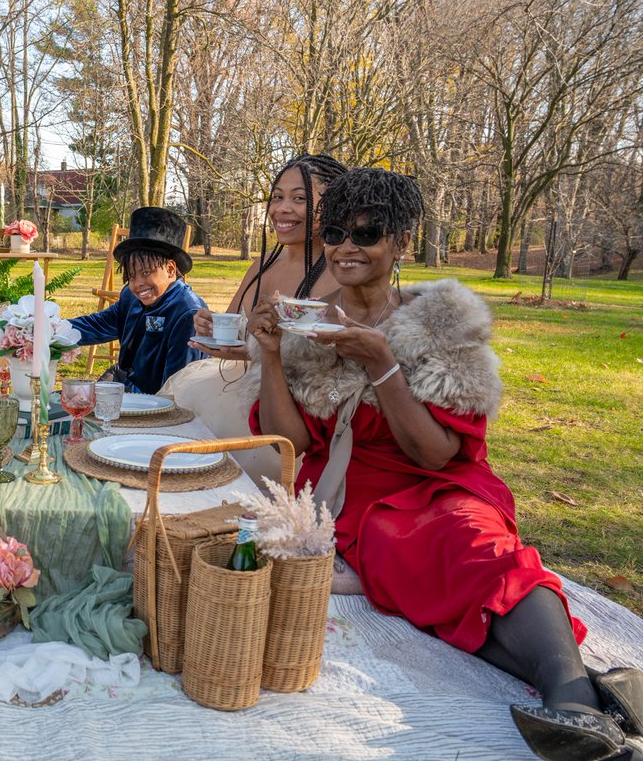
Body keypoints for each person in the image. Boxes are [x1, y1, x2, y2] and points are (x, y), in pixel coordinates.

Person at [242, 167, 643, 761]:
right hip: (346, 492)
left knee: (477, 549)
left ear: (401, 241)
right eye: (336, 233)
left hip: (434, 481)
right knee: (405, 567)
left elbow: (435, 453)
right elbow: (291, 440)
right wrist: (272, 356)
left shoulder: (438, 324)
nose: (347, 247)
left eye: (368, 232)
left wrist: (383, 363)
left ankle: (575, 708)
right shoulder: (308, 320)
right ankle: (585, 695)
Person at [160, 154, 348, 477]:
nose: (282, 209)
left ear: (331, 205)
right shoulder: (263, 265)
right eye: (277, 197)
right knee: (175, 406)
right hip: (238, 380)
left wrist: (255, 351)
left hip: (293, 407)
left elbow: (328, 361)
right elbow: (232, 324)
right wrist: (209, 324)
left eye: (299, 198)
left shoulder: (339, 272)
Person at [67, 207, 207, 395]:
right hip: (125, 382)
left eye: (146, 272)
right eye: (131, 276)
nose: (138, 284)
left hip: (159, 403)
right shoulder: (130, 296)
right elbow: (98, 325)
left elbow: (176, 387)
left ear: (171, 269)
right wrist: (50, 330)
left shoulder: (187, 313)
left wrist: (125, 397)